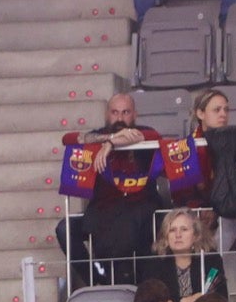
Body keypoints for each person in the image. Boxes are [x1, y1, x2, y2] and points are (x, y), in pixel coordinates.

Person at [56, 94, 162, 287]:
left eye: (126, 112)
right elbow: (69, 138)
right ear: (107, 115)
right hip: (103, 213)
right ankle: (96, 281)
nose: (120, 119)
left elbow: (153, 136)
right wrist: (110, 139)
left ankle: (149, 285)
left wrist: (112, 144)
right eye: (115, 112)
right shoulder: (98, 135)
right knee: (64, 229)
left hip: (142, 213)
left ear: (135, 114)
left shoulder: (143, 133)